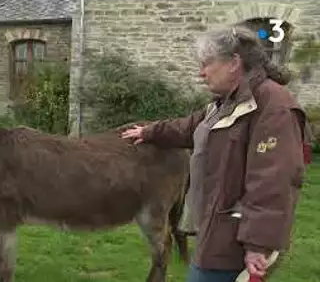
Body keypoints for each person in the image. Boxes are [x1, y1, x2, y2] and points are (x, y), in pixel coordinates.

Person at [121, 25, 311, 282]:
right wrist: (149, 132)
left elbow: (273, 181)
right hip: (215, 230)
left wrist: (258, 245)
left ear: (234, 63)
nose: (201, 73)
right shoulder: (227, 104)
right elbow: (189, 126)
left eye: (206, 64)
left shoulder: (273, 107)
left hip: (238, 241)